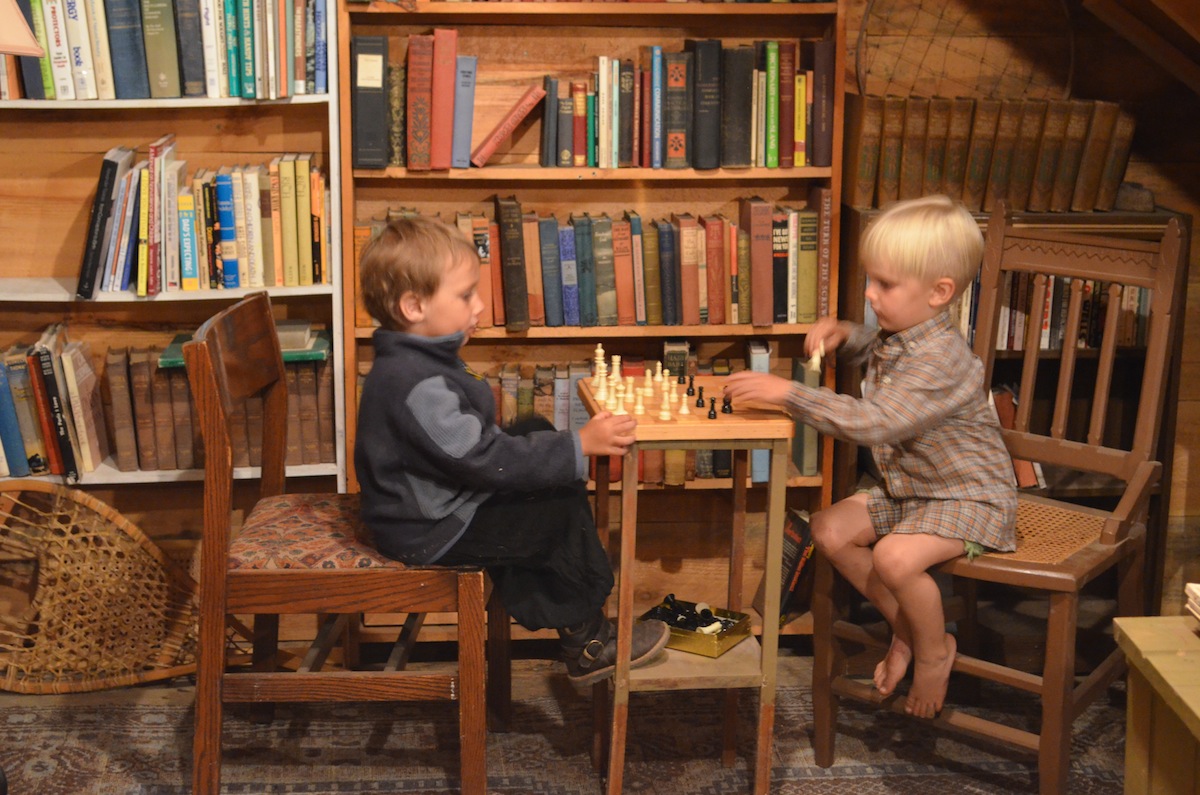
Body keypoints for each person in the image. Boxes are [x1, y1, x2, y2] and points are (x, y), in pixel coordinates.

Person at [723, 195, 1018, 717]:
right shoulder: (907, 336)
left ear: (939, 293)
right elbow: (886, 353)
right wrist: (850, 337)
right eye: (871, 280)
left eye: (884, 285)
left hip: (969, 495)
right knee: (828, 529)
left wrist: (786, 393)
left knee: (893, 557)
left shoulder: (941, 359)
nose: (870, 293)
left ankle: (933, 652)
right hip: (910, 488)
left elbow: (876, 419)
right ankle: (906, 627)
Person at [354, 215, 670, 686]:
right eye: (465, 297)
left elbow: (481, 451)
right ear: (413, 306)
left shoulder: (416, 359)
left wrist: (561, 451)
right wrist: (578, 445)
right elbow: (484, 460)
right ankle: (589, 642)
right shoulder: (412, 381)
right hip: (428, 529)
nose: (479, 306)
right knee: (553, 507)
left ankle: (559, 606)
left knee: (534, 431)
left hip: (438, 506)